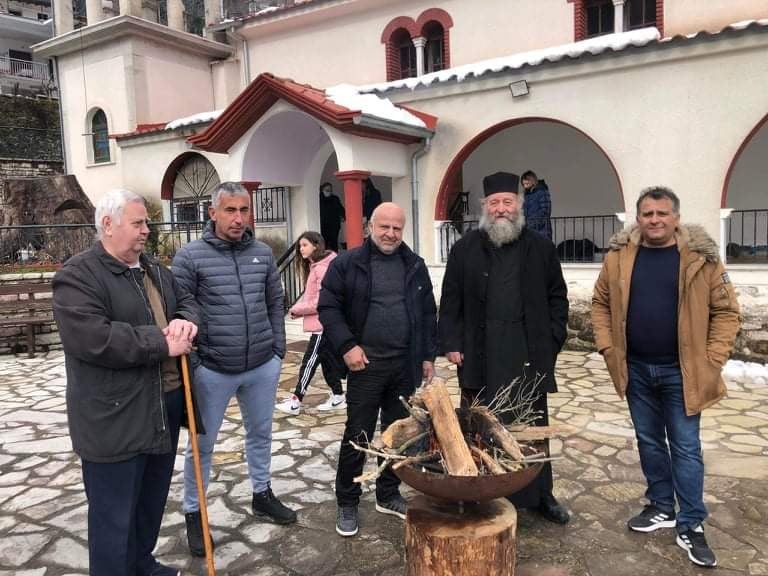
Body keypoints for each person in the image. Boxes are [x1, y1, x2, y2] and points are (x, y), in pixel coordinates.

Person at [591, 186, 740, 568]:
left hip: (682, 372)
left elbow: (726, 312)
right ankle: (660, 506)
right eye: (648, 213)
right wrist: (608, 347)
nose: (654, 220)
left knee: (686, 447)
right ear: (638, 218)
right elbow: (601, 303)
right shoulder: (619, 257)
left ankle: (691, 522)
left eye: (662, 213)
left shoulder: (701, 259)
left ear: (676, 218)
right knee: (649, 441)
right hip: (636, 369)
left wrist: (713, 359)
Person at [52, 189, 199, 576]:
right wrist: (162, 342)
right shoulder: (77, 276)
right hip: (114, 415)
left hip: (162, 405)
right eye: (138, 223)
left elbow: (186, 300)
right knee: (113, 516)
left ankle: (141, 564)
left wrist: (185, 320)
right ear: (107, 225)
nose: (146, 230)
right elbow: (93, 338)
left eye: (146, 222)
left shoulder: (153, 269)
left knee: (150, 503)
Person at [172, 182, 296, 558]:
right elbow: (181, 309)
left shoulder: (262, 253)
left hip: (261, 364)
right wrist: (197, 362)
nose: (239, 218)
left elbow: (275, 302)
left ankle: (262, 493)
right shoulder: (189, 257)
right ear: (213, 213)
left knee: (260, 434)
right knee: (202, 446)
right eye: (230, 210)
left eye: (244, 210)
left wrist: (277, 350)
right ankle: (194, 513)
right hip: (212, 368)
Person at [438, 171, 570, 524]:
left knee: (531, 425)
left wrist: (551, 339)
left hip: (527, 353)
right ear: (485, 206)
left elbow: (558, 298)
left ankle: (540, 494)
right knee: (480, 425)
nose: (500, 209)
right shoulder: (465, 248)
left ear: (518, 205)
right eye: (494, 202)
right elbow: (450, 301)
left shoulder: (541, 248)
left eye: (507, 202)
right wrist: (451, 342)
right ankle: (480, 493)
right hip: (479, 352)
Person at [318, 202, 437, 538]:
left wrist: (427, 355)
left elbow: (428, 313)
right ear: (370, 226)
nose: (391, 234)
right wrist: (347, 346)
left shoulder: (414, 265)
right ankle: (347, 500)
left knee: (396, 434)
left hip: (404, 365)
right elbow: (328, 306)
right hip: (365, 366)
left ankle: (387, 493)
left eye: (397, 228)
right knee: (358, 434)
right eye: (384, 227)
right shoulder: (347, 264)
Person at [276, 231, 347, 415]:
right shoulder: (317, 266)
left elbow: (322, 300)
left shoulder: (322, 268)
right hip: (323, 323)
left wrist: (297, 309)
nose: (301, 249)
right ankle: (338, 395)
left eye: (305, 245)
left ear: (316, 246)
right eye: (300, 246)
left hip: (323, 325)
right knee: (326, 362)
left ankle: (296, 401)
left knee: (309, 362)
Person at [521, 170, 552, 239]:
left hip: (542, 231)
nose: (525, 186)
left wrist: (533, 225)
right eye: (523, 184)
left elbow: (546, 211)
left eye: (527, 184)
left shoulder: (542, 191)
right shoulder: (527, 194)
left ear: (532, 181)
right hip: (530, 230)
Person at [319, 182, 345, 251]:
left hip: (334, 226)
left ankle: (335, 256)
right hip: (323, 226)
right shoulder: (319, 199)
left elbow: (340, 209)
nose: (329, 192)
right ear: (322, 190)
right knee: (324, 243)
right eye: (327, 190)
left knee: (334, 243)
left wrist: (343, 216)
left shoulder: (335, 199)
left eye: (330, 190)